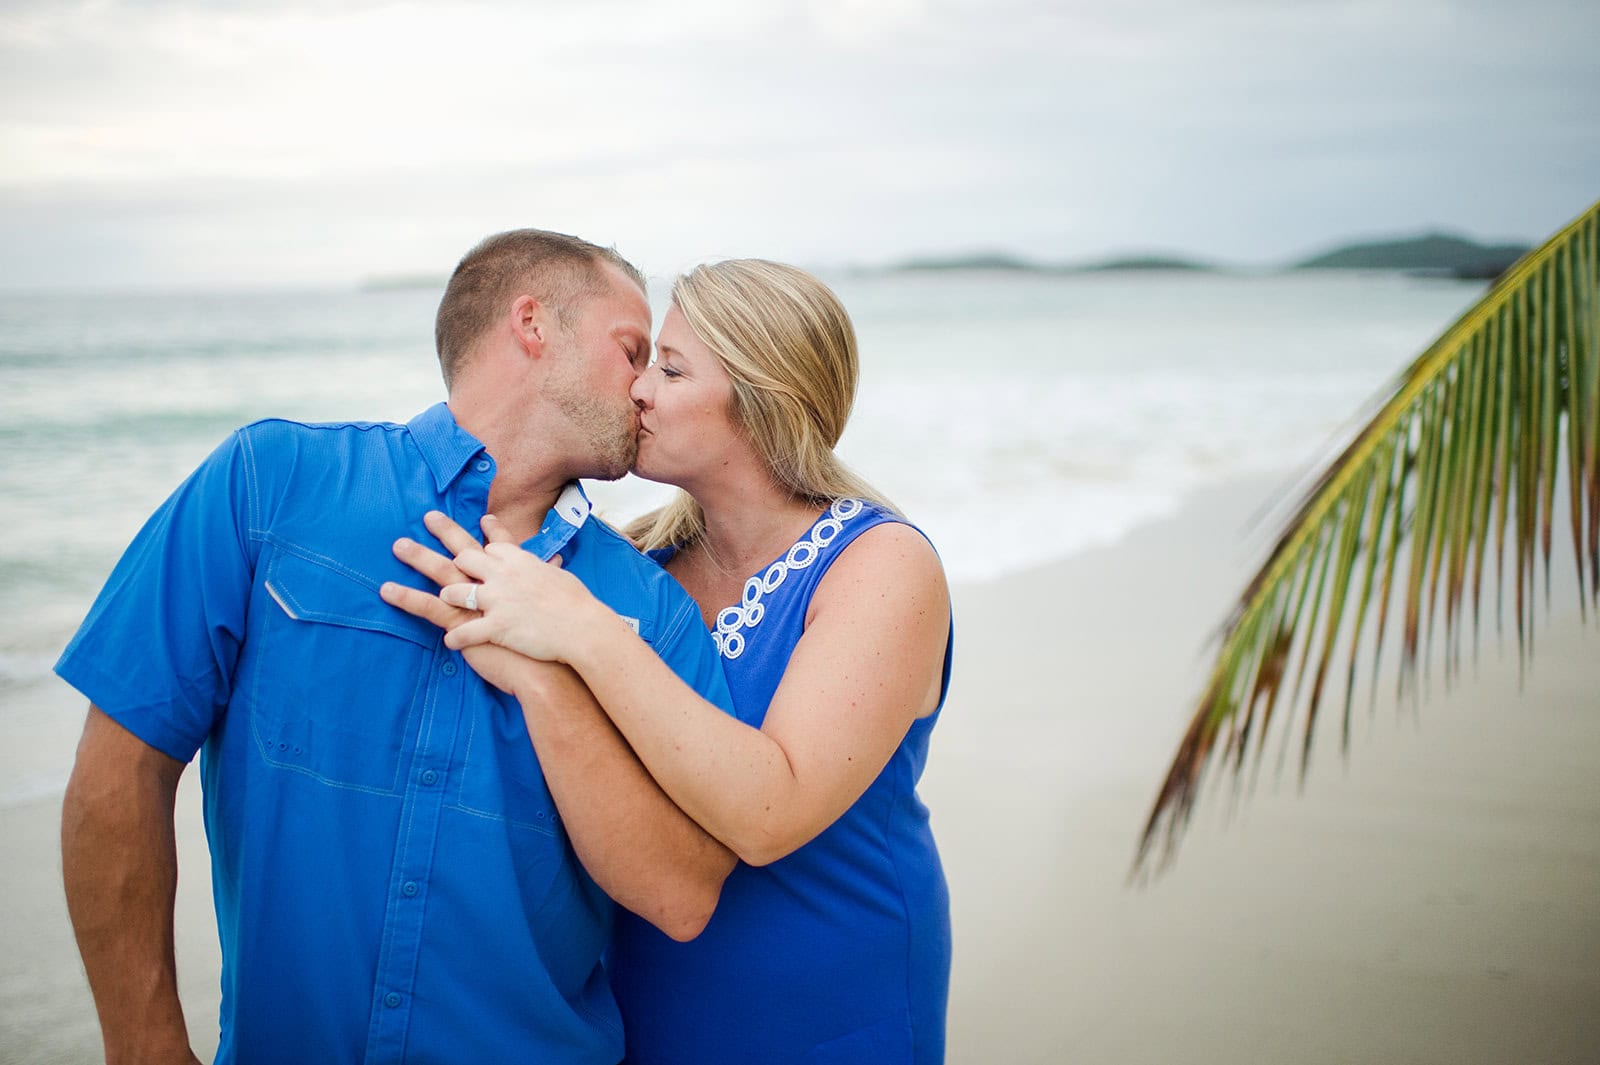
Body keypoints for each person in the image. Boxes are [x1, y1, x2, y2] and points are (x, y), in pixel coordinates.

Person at [55, 229, 744, 1065]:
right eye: (631, 350)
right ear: (533, 324)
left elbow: (682, 893)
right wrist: (143, 1045)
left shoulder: (651, 611)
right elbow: (121, 763)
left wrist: (551, 682)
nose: (644, 387)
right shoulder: (268, 484)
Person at [383, 259, 954, 1064]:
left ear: (762, 401)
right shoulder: (640, 564)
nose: (638, 389)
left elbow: (770, 813)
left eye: (671, 368)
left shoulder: (882, 566)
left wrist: (585, 632)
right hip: (640, 1001)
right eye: (646, 360)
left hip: (829, 1007)